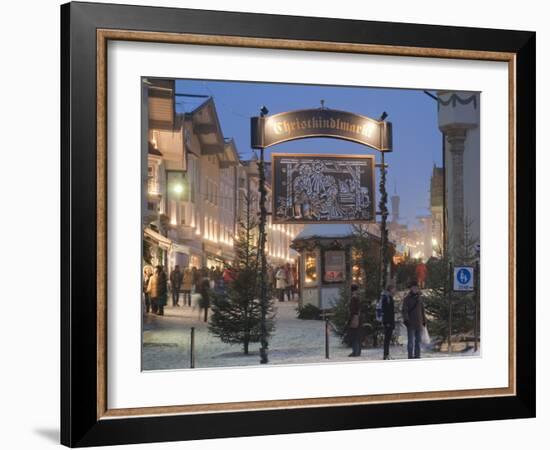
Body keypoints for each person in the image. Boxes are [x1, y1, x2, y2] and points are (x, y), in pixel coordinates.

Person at [401, 281, 427, 359]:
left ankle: (417, 355)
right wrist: (406, 319)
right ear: (411, 288)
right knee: (411, 342)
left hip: (419, 322)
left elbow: (422, 310)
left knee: (418, 341)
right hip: (411, 323)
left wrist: (424, 320)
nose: (415, 289)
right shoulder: (407, 299)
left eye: (417, 288)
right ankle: (410, 356)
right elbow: (404, 310)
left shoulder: (419, 298)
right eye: (414, 288)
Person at [380, 284, 396, 360]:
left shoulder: (389, 297)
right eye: (393, 289)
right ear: (390, 289)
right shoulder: (387, 298)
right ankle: (386, 354)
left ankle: (386, 354)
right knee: (387, 339)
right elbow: (386, 311)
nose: (394, 290)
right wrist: (387, 322)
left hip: (389, 321)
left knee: (388, 339)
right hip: (388, 321)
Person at [348, 284, 362, 357]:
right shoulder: (358, 297)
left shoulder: (354, 298)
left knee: (354, 335)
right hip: (358, 317)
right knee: (357, 335)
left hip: (354, 318)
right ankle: (358, 351)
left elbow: (353, 310)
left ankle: (355, 351)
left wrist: (350, 318)